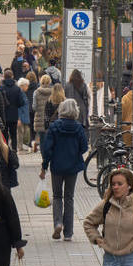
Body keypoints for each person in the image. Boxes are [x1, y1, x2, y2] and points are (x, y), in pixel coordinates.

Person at [41, 99, 88, 241]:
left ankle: (58, 223)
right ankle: (68, 233)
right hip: (72, 166)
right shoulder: (79, 128)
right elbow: (84, 147)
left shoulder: (54, 127)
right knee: (69, 197)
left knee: (57, 196)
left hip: (57, 166)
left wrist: (44, 167)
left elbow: (47, 149)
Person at [1, 69, 25, 151]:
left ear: (4, 77)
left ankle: (5, 150)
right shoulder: (17, 89)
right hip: (14, 114)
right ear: (12, 77)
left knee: (4, 135)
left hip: (3, 115)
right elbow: (21, 102)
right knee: (13, 134)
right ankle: (14, 150)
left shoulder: (0, 88)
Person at [31, 75, 55, 148]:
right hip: (50, 118)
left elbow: (34, 107)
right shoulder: (53, 92)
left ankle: (44, 157)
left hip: (40, 119)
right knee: (51, 138)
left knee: (42, 139)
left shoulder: (36, 92)